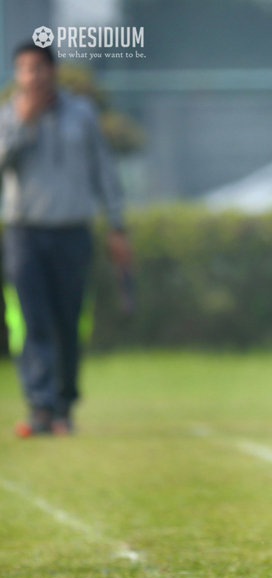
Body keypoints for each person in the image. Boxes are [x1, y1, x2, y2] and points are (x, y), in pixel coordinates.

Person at [0, 42, 131, 437]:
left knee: (68, 321)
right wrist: (25, 124)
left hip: (72, 231)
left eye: (39, 68)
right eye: (24, 69)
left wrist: (116, 224)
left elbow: (103, 171)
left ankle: (63, 406)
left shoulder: (83, 114)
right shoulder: (7, 117)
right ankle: (40, 406)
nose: (32, 76)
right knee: (31, 321)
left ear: (53, 71)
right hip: (25, 231)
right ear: (16, 74)